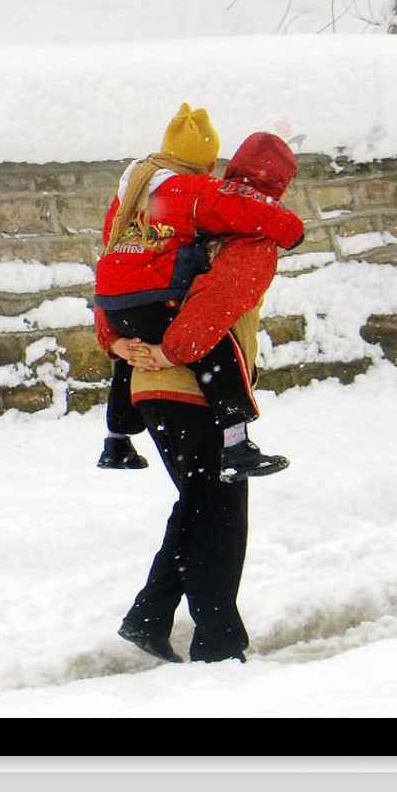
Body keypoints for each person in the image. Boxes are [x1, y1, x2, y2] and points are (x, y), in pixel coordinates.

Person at [102, 130, 301, 664]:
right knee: (222, 508)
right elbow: (216, 303)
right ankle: (217, 645)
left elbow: (115, 278)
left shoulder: (176, 221)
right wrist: (171, 350)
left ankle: (151, 617)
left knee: (204, 501)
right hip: (190, 386)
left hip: (149, 383)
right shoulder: (247, 237)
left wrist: (117, 341)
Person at [93, 105, 303, 481]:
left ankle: (117, 439)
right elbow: (241, 210)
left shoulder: (129, 193)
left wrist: (112, 338)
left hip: (118, 307)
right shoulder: (195, 192)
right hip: (170, 339)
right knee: (221, 353)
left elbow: (111, 258)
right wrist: (291, 230)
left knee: (130, 356)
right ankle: (237, 443)